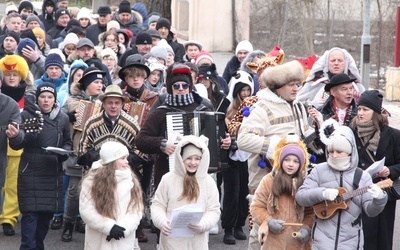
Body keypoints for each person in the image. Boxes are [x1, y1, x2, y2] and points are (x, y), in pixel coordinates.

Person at [236, 60, 313, 250]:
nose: (296, 89)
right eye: (291, 85)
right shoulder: (262, 108)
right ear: (278, 87)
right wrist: (277, 147)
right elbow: (242, 139)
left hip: (295, 182)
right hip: (266, 182)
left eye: (298, 84)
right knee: (261, 233)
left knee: (291, 231)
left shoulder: (298, 106)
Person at [295, 126, 387, 249]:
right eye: (331, 151)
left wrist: (379, 199)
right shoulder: (319, 170)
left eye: (339, 152)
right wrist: (322, 193)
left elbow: (370, 211)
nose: (334, 155)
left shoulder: (362, 176)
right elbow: (301, 197)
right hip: (321, 242)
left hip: (351, 242)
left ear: (350, 152)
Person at [12, 82, 72, 249]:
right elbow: (17, 143)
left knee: (45, 218)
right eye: (43, 97)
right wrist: (17, 136)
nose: (46, 100)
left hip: (52, 170)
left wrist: (63, 152)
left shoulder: (63, 118)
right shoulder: (25, 115)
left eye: (50, 97)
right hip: (30, 169)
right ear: (37, 98)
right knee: (30, 218)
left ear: (55, 99)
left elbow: (67, 141)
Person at [350, 90, 400, 250]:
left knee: (381, 240)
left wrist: (389, 171)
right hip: (357, 193)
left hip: (382, 193)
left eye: (366, 109)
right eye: (359, 109)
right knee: (359, 239)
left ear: (376, 113)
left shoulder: (394, 136)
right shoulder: (351, 133)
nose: (361, 113)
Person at [151, 135, 221, 250]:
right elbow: (157, 205)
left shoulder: (208, 182)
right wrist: (162, 221)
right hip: (171, 242)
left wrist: (204, 224)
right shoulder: (168, 179)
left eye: (197, 158)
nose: (193, 162)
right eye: (189, 158)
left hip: (198, 242)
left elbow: (213, 210)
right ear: (181, 158)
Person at [60, 67, 105, 242]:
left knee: (94, 190)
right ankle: (68, 224)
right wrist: (69, 117)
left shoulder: (103, 102)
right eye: (96, 82)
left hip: (97, 152)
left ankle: (85, 222)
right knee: (74, 191)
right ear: (86, 84)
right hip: (77, 151)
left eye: (101, 82)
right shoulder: (72, 101)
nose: (100, 85)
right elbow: (61, 118)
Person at [251, 134, 313, 249]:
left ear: (301, 164)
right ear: (280, 160)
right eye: (287, 160)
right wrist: (268, 221)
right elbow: (256, 207)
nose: (290, 164)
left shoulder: (307, 183)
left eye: (296, 161)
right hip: (273, 241)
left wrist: (306, 228)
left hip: (298, 243)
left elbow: (311, 212)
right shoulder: (268, 180)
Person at [79, 141, 143, 249]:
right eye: (122, 158)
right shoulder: (91, 181)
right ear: (111, 160)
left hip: (123, 240)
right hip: (99, 240)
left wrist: (124, 229)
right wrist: (108, 227)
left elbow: (136, 209)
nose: (127, 162)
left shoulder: (131, 180)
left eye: (126, 158)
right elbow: (86, 210)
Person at [0, 54, 33, 236]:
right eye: (7, 74)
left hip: (14, 146)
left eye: (15, 74)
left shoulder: (28, 94)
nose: (11, 77)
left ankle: (8, 218)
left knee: (12, 184)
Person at [222, 70, 254, 244]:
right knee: (231, 193)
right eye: (242, 91)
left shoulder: (254, 107)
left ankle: (239, 225)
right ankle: (228, 227)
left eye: (248, 90)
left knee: (244, 192)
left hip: (248, 156)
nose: (246, 94)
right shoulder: (228, 108)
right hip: (232, 156)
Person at [297, 47, 365, 108]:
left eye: (340, 60)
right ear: (327, 63)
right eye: (333, 60)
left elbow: (368, 110)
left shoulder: (356, 87)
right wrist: (311, 105)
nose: (336, 63)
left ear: (346, 64)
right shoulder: (314, 84)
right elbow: (297, 105)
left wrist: (358, 104)